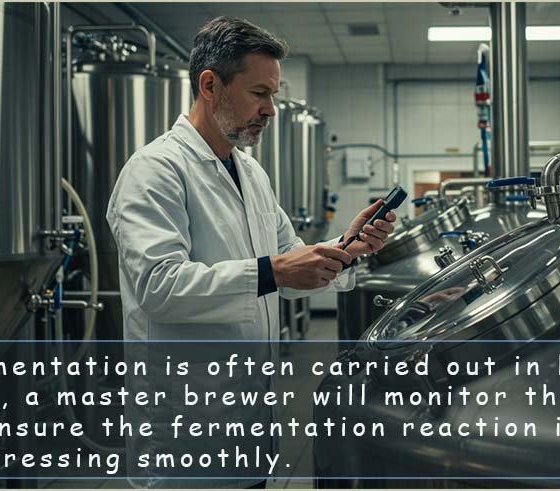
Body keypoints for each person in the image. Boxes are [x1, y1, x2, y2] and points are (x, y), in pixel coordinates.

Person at [105, 16, 396, 488]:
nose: (271, 110)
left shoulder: (251, 174)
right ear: (210, 85)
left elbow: (289, 259)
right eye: (260, 93)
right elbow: (159, 288)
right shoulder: (155, 171)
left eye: (274, 96)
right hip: (184, 437)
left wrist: (347, 248)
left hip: (249, 429)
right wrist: (273, 272)